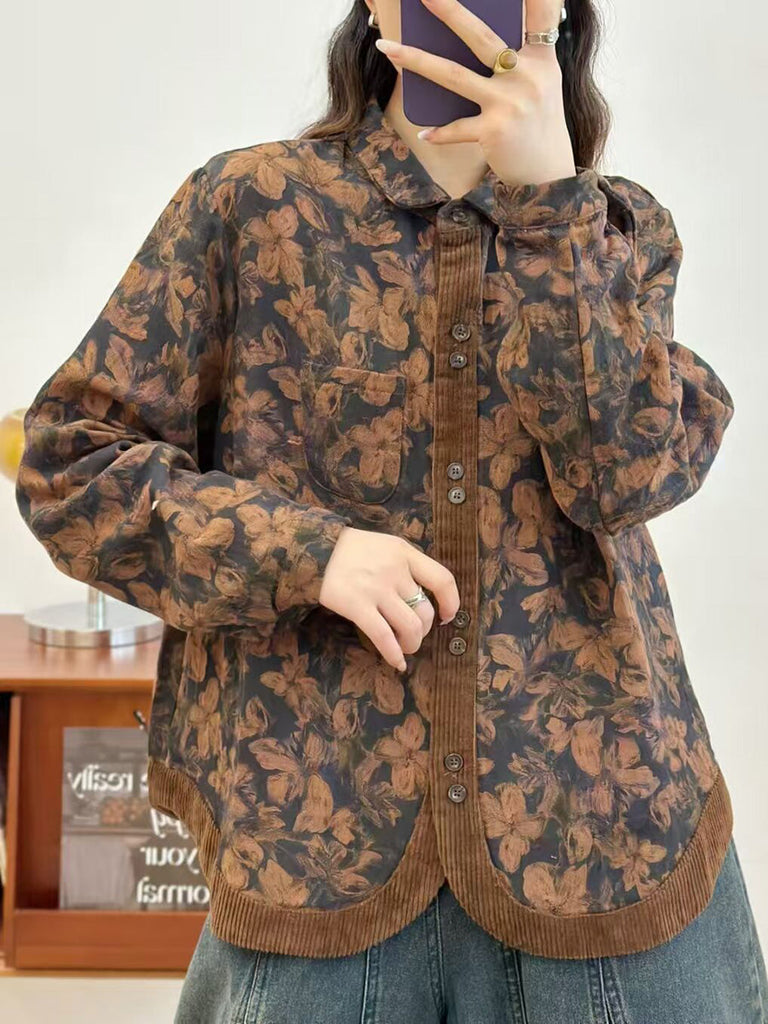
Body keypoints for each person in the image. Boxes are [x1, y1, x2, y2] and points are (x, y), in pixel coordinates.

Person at [15, 0, 768, 1021]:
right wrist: (308, 553)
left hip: (599, 841)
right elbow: (72, 466)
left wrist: (550, 205)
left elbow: (621, 478)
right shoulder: (249, 207)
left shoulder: (617, 229)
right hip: (314, 840)